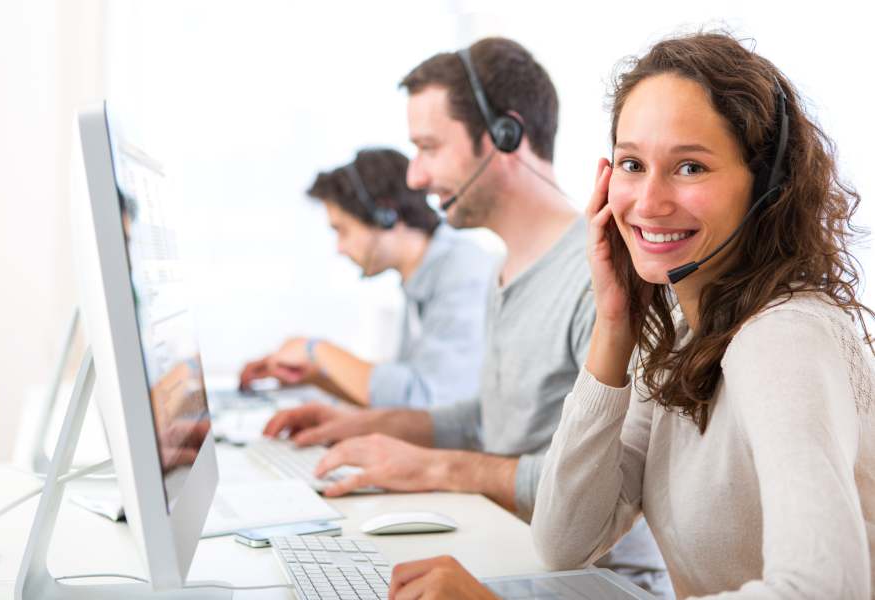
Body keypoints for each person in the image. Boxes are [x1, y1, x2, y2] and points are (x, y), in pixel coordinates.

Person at [389, 31, 875, 599]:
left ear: (767, 187)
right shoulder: (679, 338)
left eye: (690, 167)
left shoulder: (784, 335)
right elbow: (565, 540)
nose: (648, 202)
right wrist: (614, 323)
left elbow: (825, 589)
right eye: (632, 164)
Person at [264, 37, 669, 593]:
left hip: (593, 579)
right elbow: (491, 420)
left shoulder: (602, 277)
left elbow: (605, 485)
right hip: (513, 547)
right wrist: (365, 426)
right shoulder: (502, 270)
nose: (414, 178)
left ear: (507, 135)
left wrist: (435, 467)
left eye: (429, 147)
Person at [239, 148, 496, 408]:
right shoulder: (420, 280)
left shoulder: (464, 272)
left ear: (386, 216)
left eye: (342, 230)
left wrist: (315, 350)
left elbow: (430, 402)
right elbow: (399, 403)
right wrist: (314, 379)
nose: (339, 248)